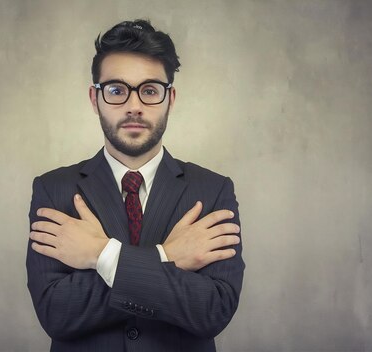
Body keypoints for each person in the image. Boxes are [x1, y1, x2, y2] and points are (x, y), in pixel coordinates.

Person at [26, 19, 245, 352]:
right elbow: (57, 314)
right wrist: (167, 256)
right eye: (116, 90)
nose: (134, 106)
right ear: (94, 98)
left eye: (150, 90)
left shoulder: (212, 191)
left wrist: (101, 255)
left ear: (170, 98)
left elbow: (213, 311)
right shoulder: (54, 191)